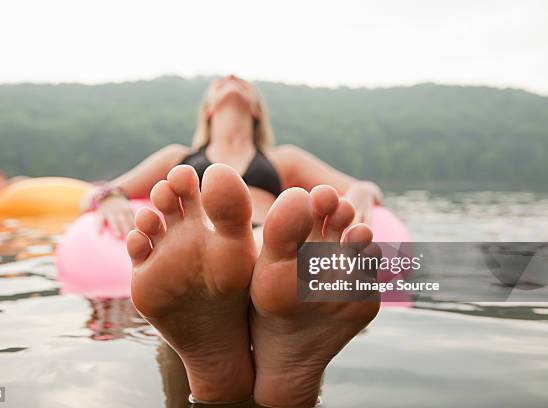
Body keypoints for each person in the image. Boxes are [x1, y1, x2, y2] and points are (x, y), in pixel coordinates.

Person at [87, 75, 382, 407]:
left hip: (267, 240)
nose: (230, 79)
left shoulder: (282, 158)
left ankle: (215, 367)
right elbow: (105, 190)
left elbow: (363, 187)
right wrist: (110, 199)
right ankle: (278, 361)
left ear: (256, 108)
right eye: (221, 82)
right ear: (208, 109)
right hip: (202, 248)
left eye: (242, 83)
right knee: (199, 277)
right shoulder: (177, 156)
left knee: (268, 256)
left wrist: (361, 192)